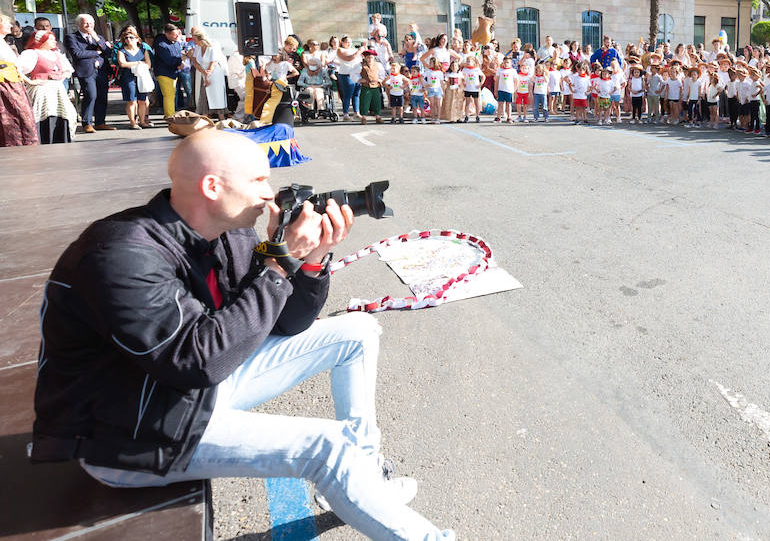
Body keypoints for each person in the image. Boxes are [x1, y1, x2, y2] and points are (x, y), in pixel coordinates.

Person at [30, 129, 454, 539]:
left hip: (191, 391)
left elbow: (285, 323)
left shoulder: (230, 231)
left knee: (357, 332)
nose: (270, 193)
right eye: (258, 180)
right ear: (212, 186)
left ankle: (364, 482)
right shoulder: (122, 254)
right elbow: (199, 361)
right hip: (131, 433)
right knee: (329, 446)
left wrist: (310, 260)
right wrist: (281, 259)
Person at [17, 30, 78, 143]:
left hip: (57, 89)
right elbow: (17, 69)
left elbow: (67, 70)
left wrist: (60, 77)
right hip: (41, 89)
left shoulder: (57, 54)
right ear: (41, 40)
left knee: (62, 113)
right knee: (43, 114)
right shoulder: (32, 53)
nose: (54, 41)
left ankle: (60, 139)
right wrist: (30, 82)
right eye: (50, 39)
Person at [65, 14, 114, 133]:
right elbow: (77, 54)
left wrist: (96, 38)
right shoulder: (72, 37)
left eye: (91, 23)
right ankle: (87, 123)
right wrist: (97, 52)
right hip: (86, 71)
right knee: (91, 95)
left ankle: (100, 122)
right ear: (79, 24)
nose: (89, 25)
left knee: (102, 96)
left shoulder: (99, 37)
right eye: (86, 23)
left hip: (101, 70)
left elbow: (108, 52)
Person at [0, 13, 39, 147]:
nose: (10, 25)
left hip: (12, 82)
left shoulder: (3, 41)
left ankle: (24, 143)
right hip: (4, 83)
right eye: (6, 23)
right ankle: (14, 144)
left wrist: (28, 81)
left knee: (22, 115)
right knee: (11, 116)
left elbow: (14, 66)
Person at [115, 26, 153, 129]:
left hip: (141, 77)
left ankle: (142, 121)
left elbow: (148, 64)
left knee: (142, 100)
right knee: (132, 100)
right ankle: (133, 122)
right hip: (128, 77)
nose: (128, 39)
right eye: (126, 38)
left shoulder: (143, 50)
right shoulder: (121, 51)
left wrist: (134, 64)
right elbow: (122, 64)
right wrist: (138, 63)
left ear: (137, 39)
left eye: (131, 37)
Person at [189, 27, 228, 120]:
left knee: (216, 95)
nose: (193, 42)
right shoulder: (198, 47)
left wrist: (207, 75)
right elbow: (194, 61)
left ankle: (221, 118)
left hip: (215, 73)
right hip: (203, 72)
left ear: (201, 39)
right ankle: (205, 117)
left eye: (195, 40)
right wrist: (203, 72)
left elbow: (213, 62)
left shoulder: (212, 46)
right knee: (203, 95)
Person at [153, 25, 190, 121]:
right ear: (167, 34)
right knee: (169, 95)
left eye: (178, 35)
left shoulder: (175, 42)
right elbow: (169, 60)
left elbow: (177, 55)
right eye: (175, 35)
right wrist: (181, 59)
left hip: (173, 71)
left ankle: (170, 114)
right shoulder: (161, 44)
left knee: (172, 94)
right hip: (164, 72)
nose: (177, 37)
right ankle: (169, 116)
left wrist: (180, 62)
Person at [357, 49, 384, 124]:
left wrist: (380, 80)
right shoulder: (360, 65)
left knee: (377, 101)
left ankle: (378, 117)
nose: (370, 59)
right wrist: (359, 80)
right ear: (365, 58)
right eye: (368, 57)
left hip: (376, 86)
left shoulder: (378, 64)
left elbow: (382, 73)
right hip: (366, 86)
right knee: (364, 102)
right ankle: (364, 118)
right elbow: (354, 74)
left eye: (371, 57)